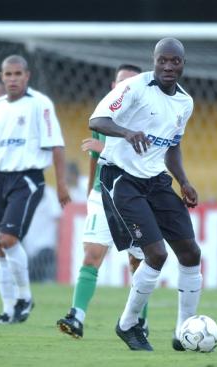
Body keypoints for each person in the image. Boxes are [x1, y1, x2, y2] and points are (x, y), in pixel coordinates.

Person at [89, 38, 201, 352]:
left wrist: (184, 182)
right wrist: (126, 131)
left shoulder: (184, 103)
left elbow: (173, 146)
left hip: (156, 180)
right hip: (121, 179)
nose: (168, 67)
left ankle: (185, 333)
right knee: (156, 254)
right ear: (154, 61)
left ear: (182, 63)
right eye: (162, 61)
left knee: (191, 253)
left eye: (174, 61)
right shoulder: (135, 87)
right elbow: (96, 120)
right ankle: (127, 325)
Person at [0, 55, 71, 324]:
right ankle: (8, 311)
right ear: (3, 75)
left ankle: (25, 298)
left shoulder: (40, 104)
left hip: (27, 179)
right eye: (8, 74)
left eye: (18, 74)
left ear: (27, 76)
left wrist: (62, 183)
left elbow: (57, 145)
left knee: (7, 238)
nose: (13, 79)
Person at [57, 64, 147, 339]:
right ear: (113, 86)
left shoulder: (148, 118)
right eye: (121, 83)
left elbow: (146, 159)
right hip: (102, 194)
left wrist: (106, 147)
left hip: (134, 195)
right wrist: (89, 193)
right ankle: (76, 317)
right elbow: (94, 160)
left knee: (139, 263)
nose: (125, 88)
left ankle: (138, 322)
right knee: (92, 254)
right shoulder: (102, 115)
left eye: (131, 83)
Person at [22, 184, 61, 282]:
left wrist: (58, 243)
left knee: (32, 273)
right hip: (29, 246)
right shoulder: (24, 193)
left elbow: (57, 218)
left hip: (46, 244)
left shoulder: (49, 194)